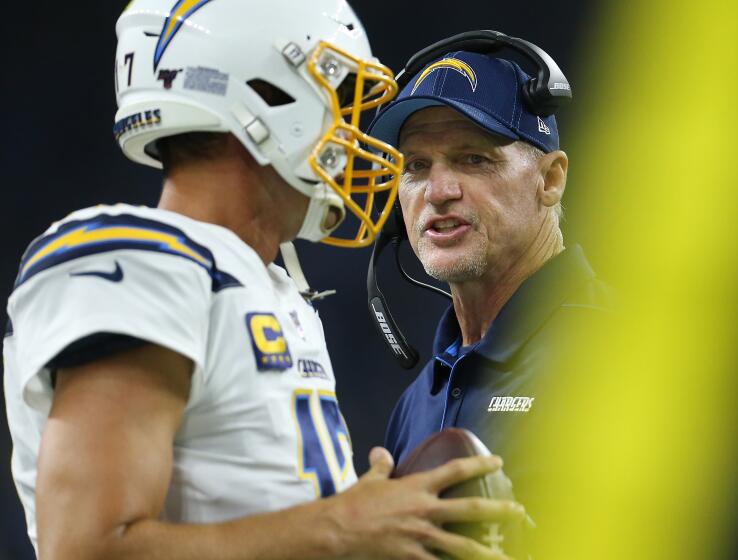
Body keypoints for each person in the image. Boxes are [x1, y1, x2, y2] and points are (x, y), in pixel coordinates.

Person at [2, 3, 522, 559]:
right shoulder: (138, 260)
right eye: (339, 100)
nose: (353, 133)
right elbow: (87, 548)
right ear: (264, 96)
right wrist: (341, 525)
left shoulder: (269, 288)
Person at [367, 47, 611, 521]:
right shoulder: (420, 397)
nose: (438, 192)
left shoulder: (619, 352)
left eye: (473, 159)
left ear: (551, 179)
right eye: (415, 166)